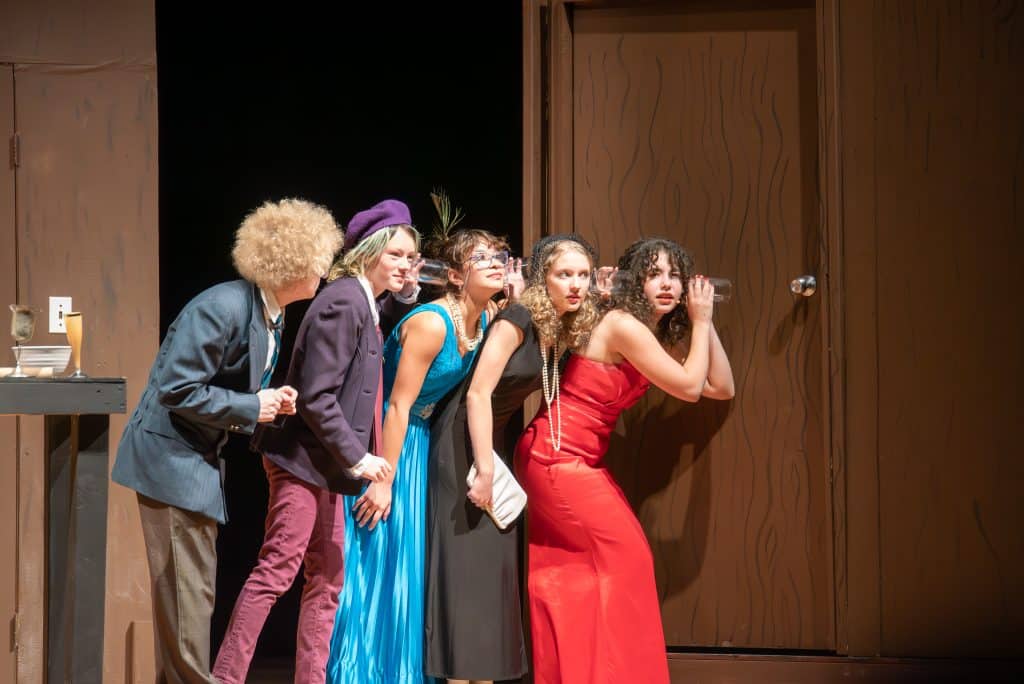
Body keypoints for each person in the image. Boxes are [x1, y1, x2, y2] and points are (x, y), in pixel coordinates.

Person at [111, 198, 342, 684]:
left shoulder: (269, 315)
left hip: (196, 465)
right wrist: (251, 406)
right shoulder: (221, 306)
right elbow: (177, 388)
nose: (324, 269)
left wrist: (267, 402)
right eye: (318, 258)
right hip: (171, 464)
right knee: (188, 602)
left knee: (191, 600)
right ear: (292, 262)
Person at [211, 199, 421, 684]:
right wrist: (359, 458)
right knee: (277, 569)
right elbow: (316, 397)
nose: (405, 265)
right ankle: (225, 677)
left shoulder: (362, 299)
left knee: (327, 578)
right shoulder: (343, 300)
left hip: (324, 463)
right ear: (369, 251)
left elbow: (376, 322)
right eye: (395, 255)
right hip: (303, 459)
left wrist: (403, 293)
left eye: (410, 258)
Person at [515, 237, 735, 684]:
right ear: (636, 282)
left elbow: (720, 386)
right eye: (655, 274)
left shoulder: (646, 334)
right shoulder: (621, 325)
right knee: (628, 557)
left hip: (573, 462)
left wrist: (703, 324)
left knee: (575, 577)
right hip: (557, 459)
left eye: (675, 275)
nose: (668, 285)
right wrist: (701, 319)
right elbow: (692, 389)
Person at [326, 228, 509, 684]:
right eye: (479, 257)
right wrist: (383, 480)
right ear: (453, 274)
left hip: (425, 443)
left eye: (498, 255)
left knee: (410, 566)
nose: (493, 262)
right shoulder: (432, 323)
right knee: (382, 558)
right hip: (394, 443)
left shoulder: (486, 316)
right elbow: (396, 405)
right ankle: (366, 670)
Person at [424, 234, 599, 684]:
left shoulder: (559, 323)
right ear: (543, 277)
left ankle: (483, 675)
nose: (575, 285)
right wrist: (483, 469)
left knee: (492, 569)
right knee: (467, 565)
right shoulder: (519, 317)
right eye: (564, 275)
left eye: (583, 275)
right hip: (463, 439)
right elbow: (478, 393)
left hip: (491, 440)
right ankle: (458, 675)